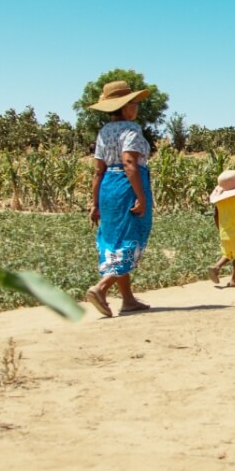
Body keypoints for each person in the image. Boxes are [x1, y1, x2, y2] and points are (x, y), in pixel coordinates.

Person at [85, 80, 154, 317]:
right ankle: (101, 288)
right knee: (131, 239)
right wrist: (141, 196)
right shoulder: (131, 130)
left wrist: (95, 203)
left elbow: (98, 170)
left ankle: (128, 300)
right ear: (125, 107)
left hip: (108, 188)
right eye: (134, 103)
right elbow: (129, 163)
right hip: (127, 186)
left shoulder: (104, 132)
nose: (137, 107)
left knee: (115, 240)